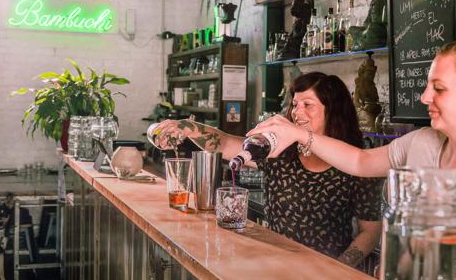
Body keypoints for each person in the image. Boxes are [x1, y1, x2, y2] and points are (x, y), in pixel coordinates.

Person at [250, 39, 456, 280]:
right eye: (427, 86)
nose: (424, 97)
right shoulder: (422, 142)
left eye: (439, 88)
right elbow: (360, 162)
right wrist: (298, 135)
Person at [154, 72, 382, 267]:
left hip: (326, 270)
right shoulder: (282, 151)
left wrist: (340, 267)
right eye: (295, 104)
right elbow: (225, 144)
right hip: (275, 264)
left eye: (307, 105)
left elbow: (370, 231)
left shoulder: (353, 160)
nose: (297, 112)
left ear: (332, 110)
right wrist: (189, 127)